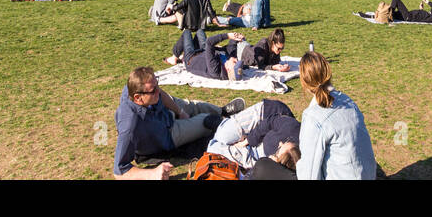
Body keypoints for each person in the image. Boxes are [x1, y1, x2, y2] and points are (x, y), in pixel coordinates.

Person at [112, 66, 243, 179]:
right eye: (153, 91)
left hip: (163, 112)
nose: (158, 91)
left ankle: (222, 111)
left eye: (157, 85)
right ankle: (237, 128)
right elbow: (119, 171)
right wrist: (152, 174)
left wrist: (179, 111)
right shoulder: (129, 126)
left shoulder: (138, 89)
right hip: (168, 133)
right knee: (206, 121)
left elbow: (161, 94)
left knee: (192, 106)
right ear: (138, 98)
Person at [297, 51, 376, 180]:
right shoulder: (348, 101)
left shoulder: (313, 117)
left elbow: (308, 173)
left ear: (304, 82)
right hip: (367, 174)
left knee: (266, 168)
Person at [207, 98, 301, 170]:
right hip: (265, 116)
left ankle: (221, 126)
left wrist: (271, 166)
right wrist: (247, 141)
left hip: (260, 153)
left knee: (213, 149)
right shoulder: (292, 128)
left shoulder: (285, 168)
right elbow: (269, 122)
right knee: (223, 135)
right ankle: (221, 123)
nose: (280, 143)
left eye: (279, 149)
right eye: (286, 142)